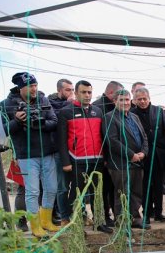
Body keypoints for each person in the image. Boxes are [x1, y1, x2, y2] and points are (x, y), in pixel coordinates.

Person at [0, 71, 60, 237]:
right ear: (20, 88)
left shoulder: (43, 99)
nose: (34, 89)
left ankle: (46, 220)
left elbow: (54, 121)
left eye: (35, 85)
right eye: (30, 86)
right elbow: (4, 130)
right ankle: (35, 225)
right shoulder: (6, 104)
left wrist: (38, 124)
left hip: (48, 152)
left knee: (51, 188)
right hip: (26, 155)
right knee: (32, 191)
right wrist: (17, 121)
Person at [57, 79, 112, 233]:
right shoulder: (66, 112)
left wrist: (105, 158)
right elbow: (61, 140)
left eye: (89, 92)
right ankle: (74, 220)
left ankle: (99, 221)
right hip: (76, 160)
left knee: (97, 192)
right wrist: (66, 162)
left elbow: (103, 137)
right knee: (76, 192)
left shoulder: (98, 111)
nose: (87, 95)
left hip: (97, 160)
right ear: (76, 93)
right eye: (83, 92)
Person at [103, 89, 150, 229]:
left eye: (127, 100)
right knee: (122, 193)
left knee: (136, 192)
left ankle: (135, 218)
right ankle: (122, 220)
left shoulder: (134, 117)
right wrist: (131, 155)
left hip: (138, 161)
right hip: (120, 164)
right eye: (121, 100)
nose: (125, 103)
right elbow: (112, 141)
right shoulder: (110, 117)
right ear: (115, 101)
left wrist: (144, 152)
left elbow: (144, 137)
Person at [132, 87, 165, 223]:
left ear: (149, 98)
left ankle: (158, 213)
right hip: (143, 155)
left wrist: (163, 146)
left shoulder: (158, 111)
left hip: (158, 154)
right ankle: (147, 214)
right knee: (145, 185)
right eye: (139, 99)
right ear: (135, 100)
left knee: (159, 185)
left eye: (144, 98)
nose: (142, 101)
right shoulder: (132, 113)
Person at [93, 80, 124, 227]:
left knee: (112, 187)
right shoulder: (99, 107)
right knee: (103, 188)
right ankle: (103, 216)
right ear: (111, 93)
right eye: (118, 94)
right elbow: (101, 135)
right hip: (103, 155)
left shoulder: (111, 105)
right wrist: (105, 156)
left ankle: (113, 215)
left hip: (113, 155)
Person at [48, 78, 75, 225]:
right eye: (67, 90)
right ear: (59, 90)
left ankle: (78, 214)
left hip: (75, 151)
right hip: (58, 151)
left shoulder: (74, 104)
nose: (71, 93)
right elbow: (56, 119)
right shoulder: (49, 103)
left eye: (72, 90)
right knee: (62, 186)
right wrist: (69, 104)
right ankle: (63, 216)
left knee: (77, 185)